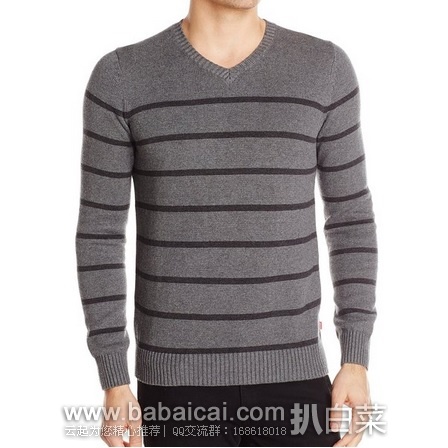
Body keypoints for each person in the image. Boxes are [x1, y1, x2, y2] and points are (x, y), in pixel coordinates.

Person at [75, 0, 378, 446]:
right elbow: (99, 234)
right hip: (174, 391)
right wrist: (113, 377)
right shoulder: (122, 78)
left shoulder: (324, 69)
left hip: (297, 380)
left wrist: (355, 356)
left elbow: (350, 218)